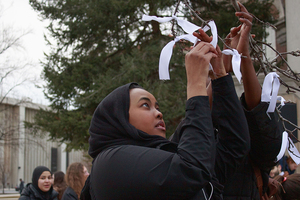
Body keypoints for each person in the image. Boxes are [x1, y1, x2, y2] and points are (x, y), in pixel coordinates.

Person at [80, 22, 250, 198]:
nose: (159, 113)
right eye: (145, 105)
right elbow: (191, 169)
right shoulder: (110, 162)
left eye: (157, 107)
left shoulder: (166, 155)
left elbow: (235, 146)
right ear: (119, 119)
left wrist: (220, 75)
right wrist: (195, 83)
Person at [194, 2, 282, 199]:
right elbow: (198, 115)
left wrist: (243, 57)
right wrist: (220, 71)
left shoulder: (255, 152)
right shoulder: (201, 150)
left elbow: (262, 121)